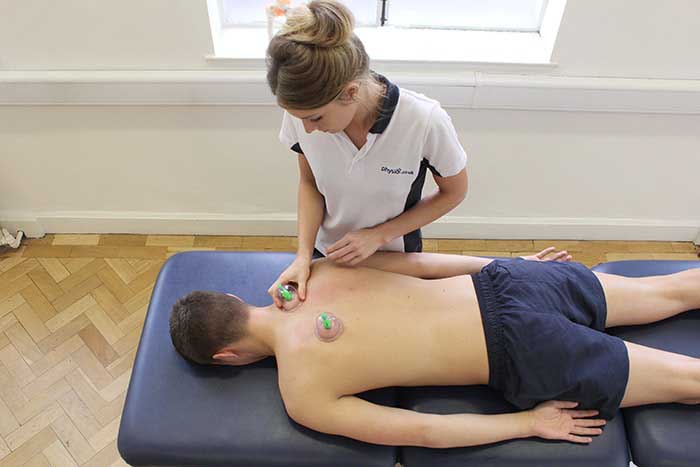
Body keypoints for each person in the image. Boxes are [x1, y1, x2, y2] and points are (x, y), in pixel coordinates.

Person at [169, 252, 700, 448]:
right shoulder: (317, 272)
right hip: (507, 284)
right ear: (236, 299)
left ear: (227, 357)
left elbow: (424, 430)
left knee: (689, 383)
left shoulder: (302, 391)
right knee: (673, 288)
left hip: (522, 350)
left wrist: (529, 423)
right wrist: (510, 263)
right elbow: (422, 265)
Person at [265, 0, 470, 308]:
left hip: (395, 256)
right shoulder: (304, 114)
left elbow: (454, 193)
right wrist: (304, 256)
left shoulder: (424, 121)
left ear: (350, 92)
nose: (306, 129)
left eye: (316, 118)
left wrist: (378, 235)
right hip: (328, 256)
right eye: (299, 118)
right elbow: (310, 184)